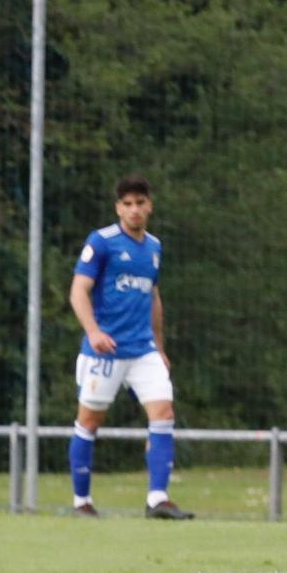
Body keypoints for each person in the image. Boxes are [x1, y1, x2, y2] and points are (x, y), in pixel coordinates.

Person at [66, 175, 192, 519]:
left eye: (140, 203)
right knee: (89, 421)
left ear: (149, 205)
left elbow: (153, 297)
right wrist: (92, 331)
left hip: (143, 350)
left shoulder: (153, 247)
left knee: (163, 413)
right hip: (105, 351)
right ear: (118, 208)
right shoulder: (102, 242)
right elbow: (79, 291)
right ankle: (82, 502)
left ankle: (157, 499)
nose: (134, 209)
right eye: (127, 204)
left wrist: (160, 347)